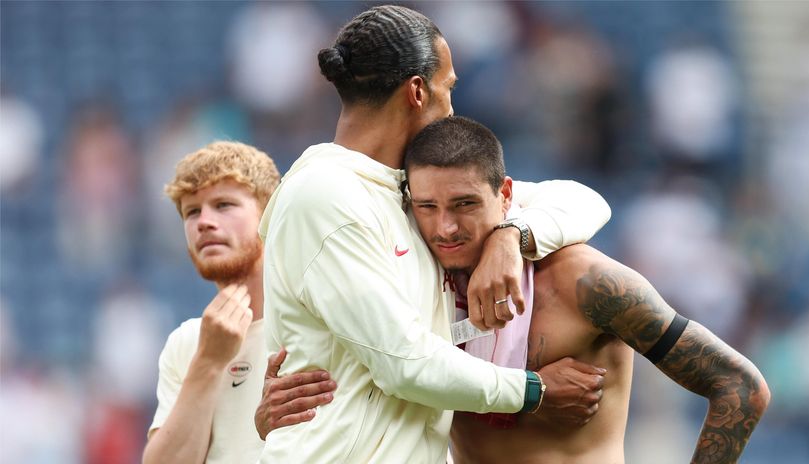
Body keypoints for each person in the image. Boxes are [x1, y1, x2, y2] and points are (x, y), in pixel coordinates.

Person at [256, 5, 612, 463]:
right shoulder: (325, 196)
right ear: (418, 91)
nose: (452, 106)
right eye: (449, 89)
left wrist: (511, 237)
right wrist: (533, 390)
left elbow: (583, 201)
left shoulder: (411, 190)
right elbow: (405, 363)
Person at [403, 116, 771, 463]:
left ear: (505, 195)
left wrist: (509, 238)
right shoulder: (418, 286)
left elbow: (739, 386)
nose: (446, 227)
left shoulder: (589, 283)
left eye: (465, 204)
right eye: (427, 207)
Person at [143, 141, 337, 464]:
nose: (204, 221)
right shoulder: (186, 343)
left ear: (267, 215)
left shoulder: (321, 319)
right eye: (192, 211)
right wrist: (208, 360)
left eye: (223, 205)